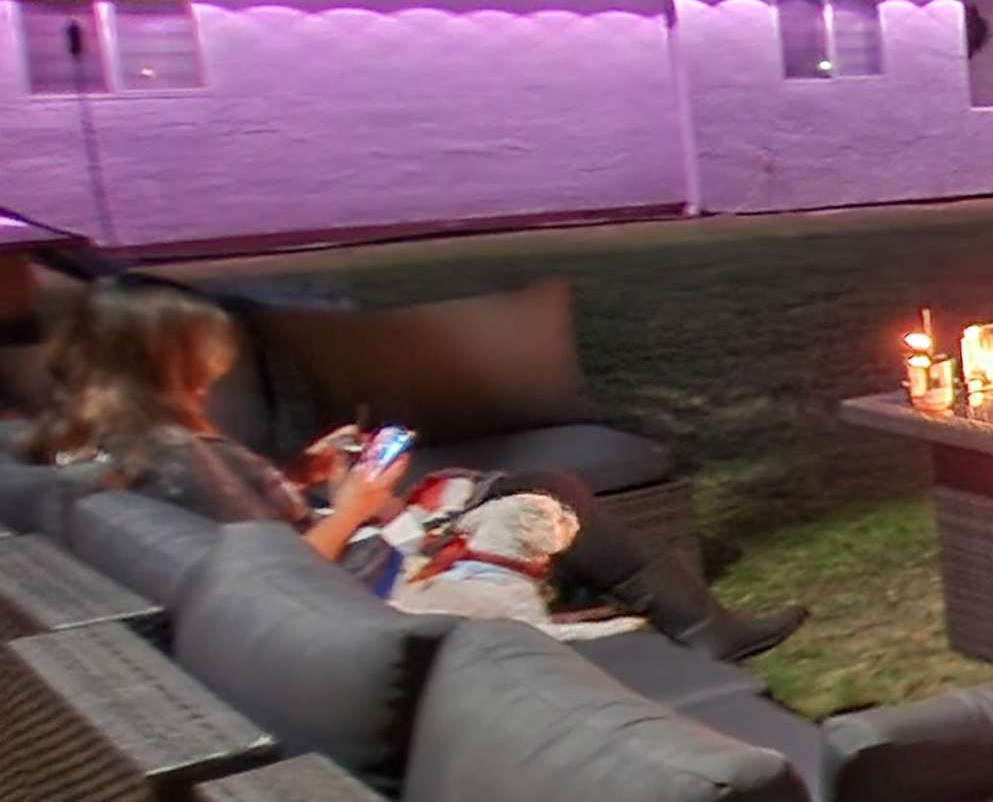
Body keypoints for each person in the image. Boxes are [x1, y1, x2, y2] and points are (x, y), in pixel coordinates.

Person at [18, 277, 805, 661]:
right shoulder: (178, 459)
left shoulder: (118, 449)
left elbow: (248, 531)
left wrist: (304, 474)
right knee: (549, 491)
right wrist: (355, 503)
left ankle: (688, 625)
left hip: (364, 562)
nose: (212, 379)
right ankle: (698, 630)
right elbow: (269, 575)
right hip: (374, 586)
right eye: (200, 365)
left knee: (532, 488)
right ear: (162, 363)